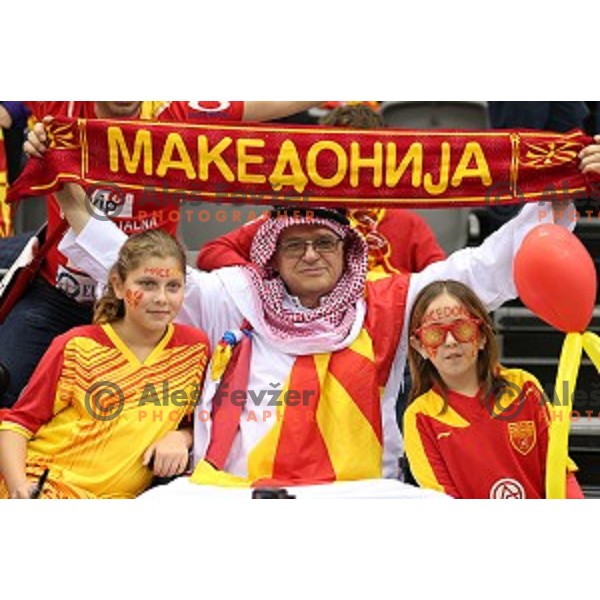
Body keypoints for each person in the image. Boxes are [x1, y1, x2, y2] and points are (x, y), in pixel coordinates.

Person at [54, 170, 586, 488]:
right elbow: (140, 270)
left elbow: (482, 269)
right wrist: (73, 205)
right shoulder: (233, 297)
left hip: (353, 500)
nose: (311, 254)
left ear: (347, 250)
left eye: (325, 243)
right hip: (231, 496)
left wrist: (558, 190)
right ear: (274, 253)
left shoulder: (387, 302)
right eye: (295, 244)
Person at [0, 100, 318, 408]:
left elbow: (278, 101)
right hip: (58, 297)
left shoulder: (177, 111)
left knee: (152, 415)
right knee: (7, 385)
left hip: (145, 311)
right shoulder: (59, 103)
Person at [0, 229, 210, 498]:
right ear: (119, 285)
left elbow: (206, 422)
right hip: (47, 486)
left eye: (173, 286)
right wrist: (20, 490)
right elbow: (16, 425)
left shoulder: (194, 349)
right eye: (147, 285)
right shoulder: (77, 345)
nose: (161, 298)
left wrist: (182, 437)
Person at [197, 104, 446, 276]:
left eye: (361, 156)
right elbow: (211, 253)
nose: (348, 166)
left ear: (381, 161)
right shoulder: (295, 217)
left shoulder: (407, 224)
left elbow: (443, 282)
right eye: (335, 155)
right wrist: (261, 280)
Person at [402, 280, 584, 499]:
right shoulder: (420, 417)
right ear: (419, 346)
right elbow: (443, 503)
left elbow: (559, 471)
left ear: (482, 336)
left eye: (462, 328)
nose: (450, 341)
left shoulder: (524, 387)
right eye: (434, 333)